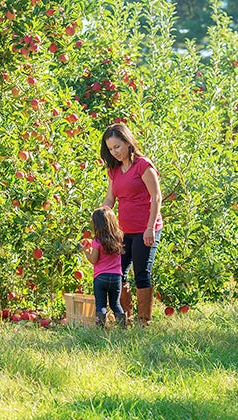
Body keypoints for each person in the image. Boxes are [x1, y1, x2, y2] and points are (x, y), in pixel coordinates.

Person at [100, 123, 162, 328]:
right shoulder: (115, 171)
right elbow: (110, 199)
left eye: (117, 146)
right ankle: (126, 318)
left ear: (127, 142)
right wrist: (102, 214)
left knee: (142, 273)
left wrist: (150, 227)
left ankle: (144, 322)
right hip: (123, 231)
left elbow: (156, 197)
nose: (114, 152)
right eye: (110, 149)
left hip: (145, 228)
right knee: (119, 272)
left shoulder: (143, 165)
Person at [83, 207, 127, 327]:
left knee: (101, 305)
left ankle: (100, 328)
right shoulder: (118, 238)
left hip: (101, 277)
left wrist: (86, 251)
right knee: (115, 304)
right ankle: (123, 327)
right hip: (116, 277)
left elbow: (94, 260)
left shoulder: (97, 241)